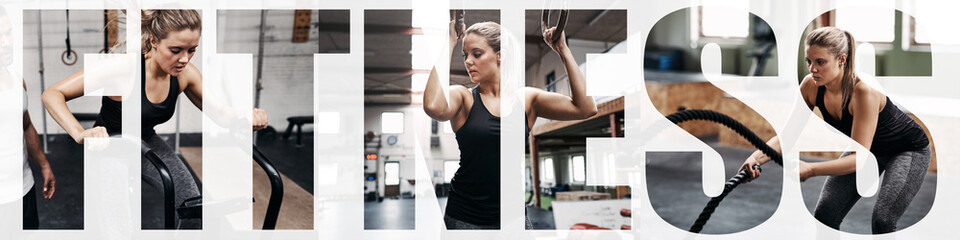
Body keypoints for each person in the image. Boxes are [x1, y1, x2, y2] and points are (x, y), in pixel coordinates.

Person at [41, 9, 268, 229]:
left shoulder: (185, 75)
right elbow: (52, 94)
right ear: (154, 40)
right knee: (117, 225)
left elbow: (221, 113)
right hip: (109, 145)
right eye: (176, 50)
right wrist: (80, 133)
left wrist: (246, 116)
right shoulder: (123, 68)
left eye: (192, 50)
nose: (184, 59)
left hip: (145, 140)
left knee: (191, 203)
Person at [739, 27, 930, 234]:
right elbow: (788, 135)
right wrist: (755, 159)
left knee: (883, 220)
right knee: (825, 215)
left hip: (906, 150)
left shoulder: (863, 93)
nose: (812, 69)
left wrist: (812, 169)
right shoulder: (810, 87)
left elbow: (859, 159)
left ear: (841, 60)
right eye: (809, 61)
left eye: (820, 62)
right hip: (866, 148)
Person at [423, 19, 597, 229]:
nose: (468, 61)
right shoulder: (463, 98)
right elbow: (433, 105)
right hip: (465, 218)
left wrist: (562, 48)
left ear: (500, 55)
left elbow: (586, 108)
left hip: (513, 219)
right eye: (465, 55)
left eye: (476, 54)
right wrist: (449, 41)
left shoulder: (526, 100)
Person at [0, 6, 56, 229]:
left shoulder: (16, 80)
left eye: (8, 33)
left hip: (23, 190)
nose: (7, 42)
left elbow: (26, 126)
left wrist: (43, 164)